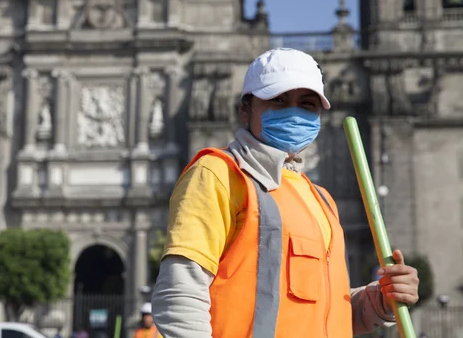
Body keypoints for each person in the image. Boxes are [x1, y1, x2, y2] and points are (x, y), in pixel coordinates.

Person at [151, 48, 420, 337]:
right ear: (245, 109)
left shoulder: (321, 199)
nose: (293, 113)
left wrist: (380, 300)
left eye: (306, 104)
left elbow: (327, 311)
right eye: (278, 100)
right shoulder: (218, 174)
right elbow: (181, 293)